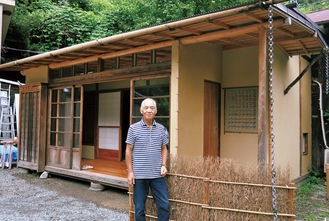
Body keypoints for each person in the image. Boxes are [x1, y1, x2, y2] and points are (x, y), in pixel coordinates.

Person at [125, 98, 170, 221]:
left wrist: (163, 165)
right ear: (141, 110)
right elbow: (128, 150)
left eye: (151, 108)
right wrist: (130, 172)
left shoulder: (161, 129)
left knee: (164, 205)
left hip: (157, 175)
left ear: (156, 111)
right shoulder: (133, 129)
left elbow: (164, 148)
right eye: (146, 108)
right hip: (139, 175)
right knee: (139, 209)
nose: (149, 110)